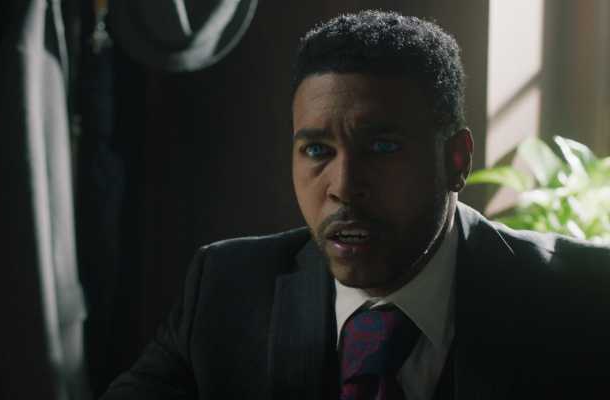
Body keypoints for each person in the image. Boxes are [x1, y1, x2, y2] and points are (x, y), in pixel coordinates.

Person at [101, 10, 610, 400]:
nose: (344, 186)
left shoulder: (583, 299)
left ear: (456, 160)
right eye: (317, 151)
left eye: (382, 147)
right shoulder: (226, 289)